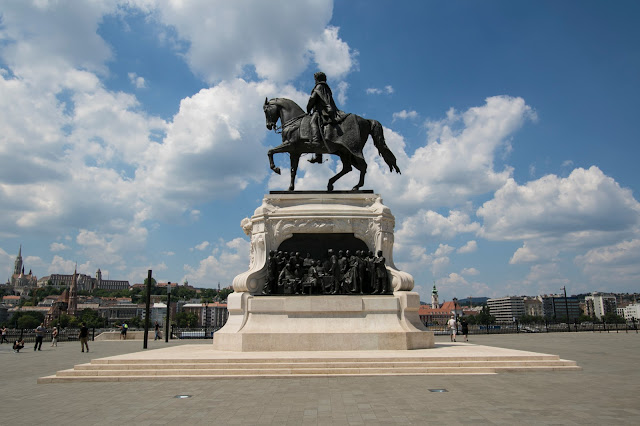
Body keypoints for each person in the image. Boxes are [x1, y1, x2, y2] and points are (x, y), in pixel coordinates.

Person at [306, 71, 339, 164]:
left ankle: (316, 141)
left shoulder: (319, 86)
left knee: (312, 122)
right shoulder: (326, 87)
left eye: (315, 79)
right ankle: (318, 156)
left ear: (317, 79)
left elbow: (313, 98)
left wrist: (308, 108)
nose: (315, 81)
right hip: (325, 110)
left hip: (321, 111)